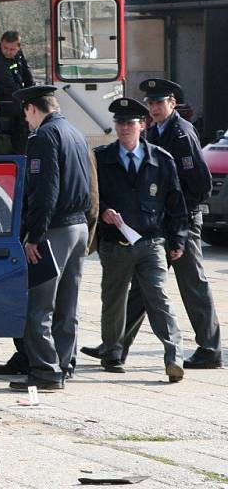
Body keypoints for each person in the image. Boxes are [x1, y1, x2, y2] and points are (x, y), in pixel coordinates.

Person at [81, 80, 221, 369]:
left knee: (192, 284)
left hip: (181, 219)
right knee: (144, 288)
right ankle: (116, 346)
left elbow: (199, 183)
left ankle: (209, 348)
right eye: (151, 103)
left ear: (172, 103)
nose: (155, 108)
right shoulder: (158, 130)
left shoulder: (180, 133)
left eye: (160, 103)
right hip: (157, 222)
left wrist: (182, 219)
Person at [0, 86, 90, 392]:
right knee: (67, 305)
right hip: (78, 227)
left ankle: (46, 372)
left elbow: (44, 191)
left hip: (55, 230)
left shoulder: (44, 137)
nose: (26, 120)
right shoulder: (75, 132)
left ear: (32, 109)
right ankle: (63, 365)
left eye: (25, 113)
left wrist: (34, 236)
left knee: (39, 305)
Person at [93, 97, 187, 382]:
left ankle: (174, 357)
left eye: (130, 123)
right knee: (113, 300)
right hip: (115, 243)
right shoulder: (101, 158)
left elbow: (175, 203)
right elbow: (91, 197)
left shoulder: (161, 159)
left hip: (151, 242)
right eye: (119, 123)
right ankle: (112, 352)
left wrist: (178, 240)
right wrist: (102, 212)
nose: (124, 128)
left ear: (142, 125)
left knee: (159, 299)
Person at [0, 31, 34, 155]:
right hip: (6, 103)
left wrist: (32, 93)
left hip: (18, 100)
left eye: (12, 49)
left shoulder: (19, 55)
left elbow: (27, 75)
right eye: (5, 48)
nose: (8, 52)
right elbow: (9, 87)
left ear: (19, 47)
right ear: (1, 43)